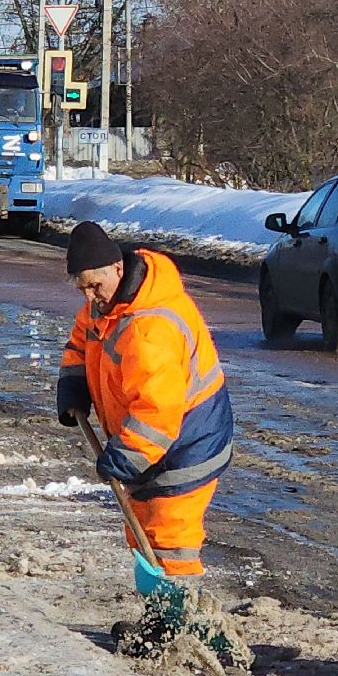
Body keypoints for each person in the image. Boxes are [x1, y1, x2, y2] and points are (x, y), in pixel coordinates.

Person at [57, 221, 233, 587]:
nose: (89, 297)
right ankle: (157, 615)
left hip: (189, 440)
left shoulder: (149, 329)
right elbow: (80, 341)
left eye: (95, 286)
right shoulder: (105, 306)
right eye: (82, 288)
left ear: (118, 269)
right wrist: (73, 385)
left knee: (169, 536)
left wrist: (123, 458)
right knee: (140, 531)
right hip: (147, 439)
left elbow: (158, 412)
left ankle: (183, 620)